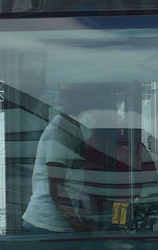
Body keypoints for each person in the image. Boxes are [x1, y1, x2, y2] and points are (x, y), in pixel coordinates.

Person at [22, 84, 102, 234]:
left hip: (61, 223)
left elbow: (75, 183)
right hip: (46, 226)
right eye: (83, 97)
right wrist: (76, 224)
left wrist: (86, 219)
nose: (88, 103)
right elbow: (57, 186)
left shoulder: (76, 129)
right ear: (69, 98)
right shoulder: (58, 134)